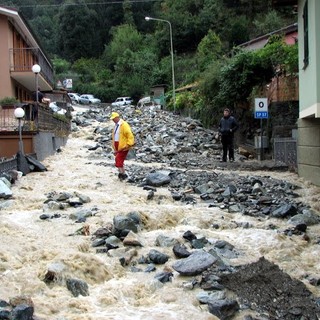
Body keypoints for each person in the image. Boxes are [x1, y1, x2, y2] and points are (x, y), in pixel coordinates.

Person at [110, 112, 135, 180]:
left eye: (114, 119)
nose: (113, 120)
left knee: (118, 159)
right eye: (112, 119)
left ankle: (123, 174)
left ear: (117, 117)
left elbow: (130, 135)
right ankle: (122, 173)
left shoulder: (124, 125)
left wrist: (129, 143)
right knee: (119, 160)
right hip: (118, 145)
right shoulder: (116, 125)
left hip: (123, 146)